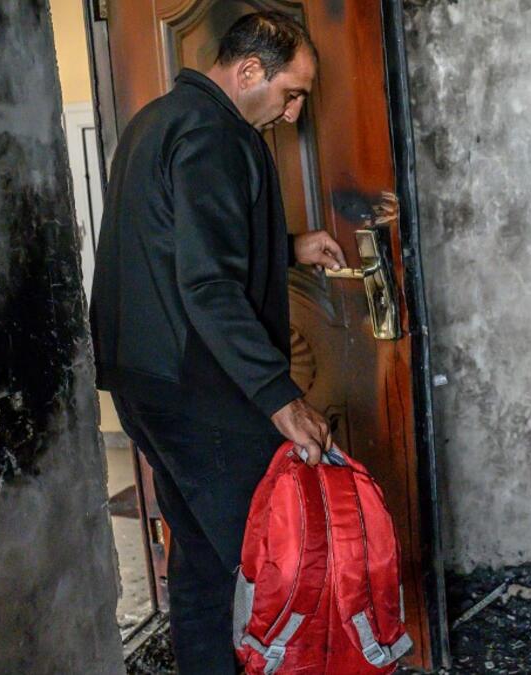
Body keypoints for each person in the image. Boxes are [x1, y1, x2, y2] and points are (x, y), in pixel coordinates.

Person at [89, 12, 344, 673]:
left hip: (146, 382)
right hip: (198, 388)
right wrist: (279, 397)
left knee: (203, 557)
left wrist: (290, 249)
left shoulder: (160, 119)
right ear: (249, 70)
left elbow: (181, 249)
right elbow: (206, 282)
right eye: (292, 93)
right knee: (270, 563)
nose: (292, 115)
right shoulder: (212, 133)